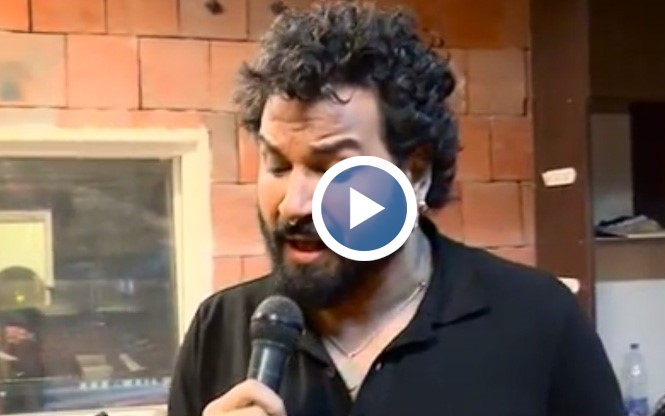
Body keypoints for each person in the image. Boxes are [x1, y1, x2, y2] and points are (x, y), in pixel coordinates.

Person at [168, 2, 625, 416]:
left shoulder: (538, 318)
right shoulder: (219, 330)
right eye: (277, 165)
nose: (294, 203)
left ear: (416, 172)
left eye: (331, 168)